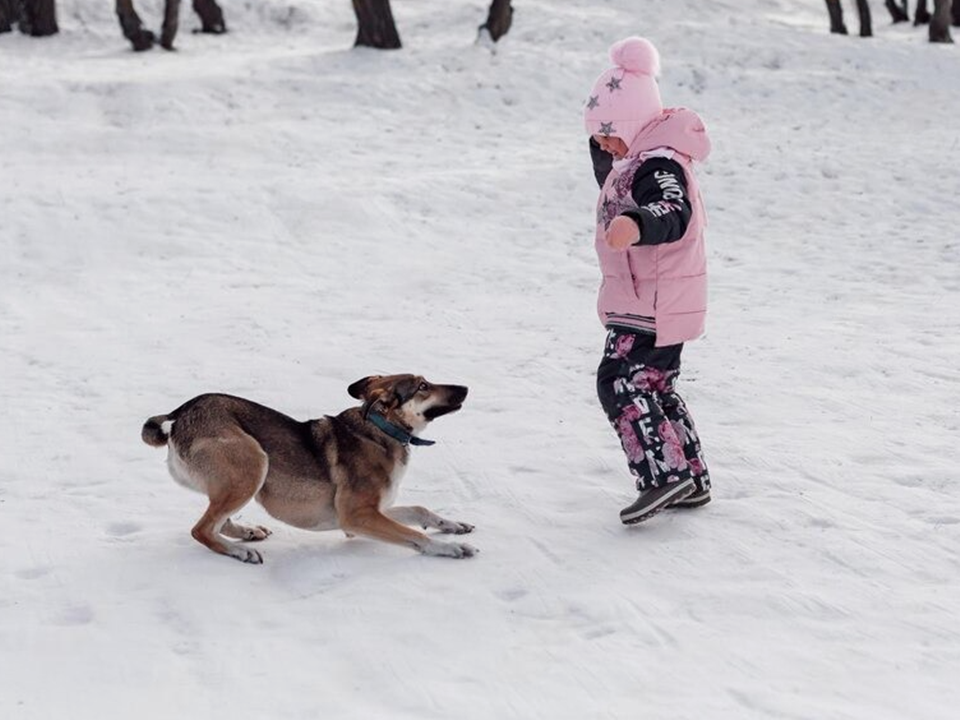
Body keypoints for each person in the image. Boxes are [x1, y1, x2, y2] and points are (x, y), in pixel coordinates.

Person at [583, 36, 713, 525]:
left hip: (650, 301)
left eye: (607, 133)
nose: (601, 145)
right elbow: (610, 174)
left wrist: (637, 223)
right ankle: (690, 477)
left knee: (620, 382)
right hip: (658, 297)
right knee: (654, 385)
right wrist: (604, 141)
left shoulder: (657, 165)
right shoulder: (637, 160)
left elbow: (671, 209)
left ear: (633, 125)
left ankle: (662, 476)